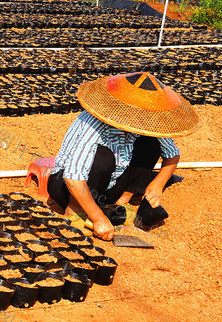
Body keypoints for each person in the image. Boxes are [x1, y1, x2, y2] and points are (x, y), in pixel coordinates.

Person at [47, 72, 200, 241]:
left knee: (151, 143)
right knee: (104, 156)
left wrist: (158, 184)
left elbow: (172, 154)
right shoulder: (95, 121)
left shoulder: (146, 122)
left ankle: (120, 204)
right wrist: (98, 218)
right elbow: (73, 178)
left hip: (109, 188)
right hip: (68, 188)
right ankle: (75, 211)